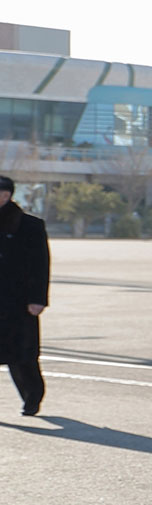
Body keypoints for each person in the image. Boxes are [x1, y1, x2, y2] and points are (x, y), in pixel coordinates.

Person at [0, 176, 49, 417]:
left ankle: (32, 396)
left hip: (18, 303)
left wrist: (38, 299)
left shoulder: (29, 225)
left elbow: (41, 265)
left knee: (22, 356)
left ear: (7, 195)